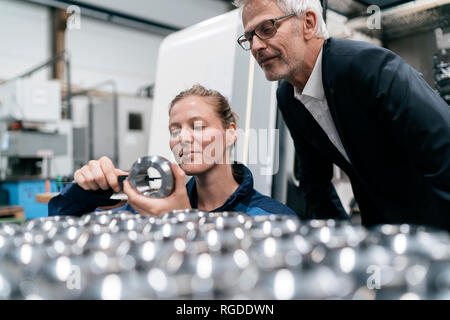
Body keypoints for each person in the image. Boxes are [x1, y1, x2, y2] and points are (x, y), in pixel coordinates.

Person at [234, 0, 450, 230]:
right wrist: (341, 237)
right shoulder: (288, 97)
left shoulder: (369, 67)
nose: (256, 46)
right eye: (249, 38)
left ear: (308, 22)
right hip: (382, 233)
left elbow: (445, 152)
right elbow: (313, 183)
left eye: (266, 29)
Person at [49, 84, 295, 217]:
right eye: (175, 130)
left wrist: (181, 222)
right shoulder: (153, 206)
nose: (183, 139)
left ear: (231, 133)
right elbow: (62, 227)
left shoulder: (271, 218)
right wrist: (85, 192)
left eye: (197, 126)